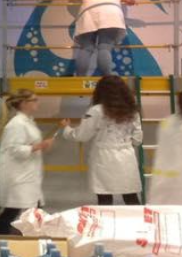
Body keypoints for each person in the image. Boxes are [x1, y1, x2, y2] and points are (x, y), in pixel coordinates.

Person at [61, 76, 143, 204]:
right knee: (130, 195)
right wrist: (126, 145)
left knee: (104, 196)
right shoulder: (132, 110)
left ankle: (105, 218)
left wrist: (67, 129)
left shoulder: (96, 111)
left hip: (104, 157)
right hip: (127, 156)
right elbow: (137, 138)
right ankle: (138, 217)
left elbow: (82, 135)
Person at [0, 91, 55, 234]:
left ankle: (29, 238)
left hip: (27, 174)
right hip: (18, 176)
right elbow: (14, 149)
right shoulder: (17, 124)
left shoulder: (28, 122)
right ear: (23, 103)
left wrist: (41, 146)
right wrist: (38, 146)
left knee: (26, 208)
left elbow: (29, 145)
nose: (37, 103)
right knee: (13, 210)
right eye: (34, 100)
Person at [72, 0, 136, 77]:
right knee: (104, 47)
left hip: (89, 11)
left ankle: (79, 80)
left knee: (86, 48)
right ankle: (107, 79)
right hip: (111, 12)